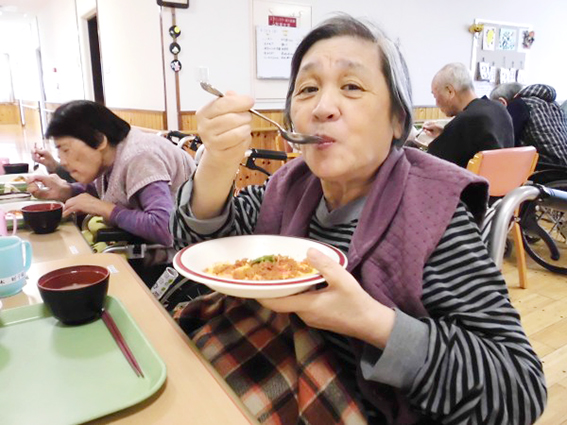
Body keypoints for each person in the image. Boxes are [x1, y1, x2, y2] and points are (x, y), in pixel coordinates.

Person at [170, 16, 546, 424]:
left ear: (397, 120)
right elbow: (198, 247)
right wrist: (217, 165)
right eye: (308, 89)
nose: (322, 107)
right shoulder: (291, 188)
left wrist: (372, 322)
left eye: (351, 87)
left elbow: (519, 387)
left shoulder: (432, 218)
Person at [27, 100, 196, 272]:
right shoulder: (112, 155)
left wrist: (106, 209)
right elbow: (110, 191)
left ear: (99, 140)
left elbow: (164, 229)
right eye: (59, 152)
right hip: (145, 248)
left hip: (180, 259)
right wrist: (67, 191)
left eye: (66, 150)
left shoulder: (140, 156)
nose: (62, 161)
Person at [424, 62, 514, 168]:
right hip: (503, 182)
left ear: (449, 91)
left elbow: (430, 163)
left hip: (474, 183)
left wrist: (448, 134)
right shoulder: (499, 109)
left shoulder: (466, 120)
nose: (436, 103)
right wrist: (445, 134)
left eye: (435, 96)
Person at [490, 82, 567, 167]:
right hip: (562, 167)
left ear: (502, 103)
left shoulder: (518, 105)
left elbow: (505, 144)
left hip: (547, 169)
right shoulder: (552, 104)